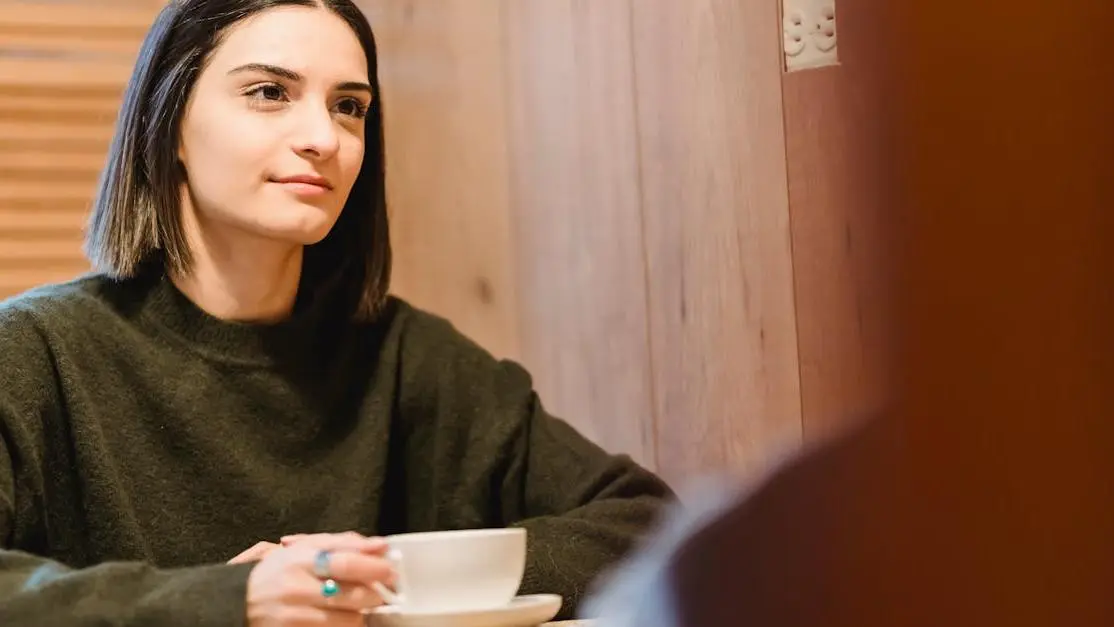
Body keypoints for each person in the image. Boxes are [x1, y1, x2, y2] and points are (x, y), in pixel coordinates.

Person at [0, 1, 674, 625]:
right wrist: (226, 600)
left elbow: (646, 521)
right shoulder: (35, 350)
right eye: (270, 93)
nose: (324, 137)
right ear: (167, 121)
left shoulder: (409, 358)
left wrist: (386, 572)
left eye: (349, 106)